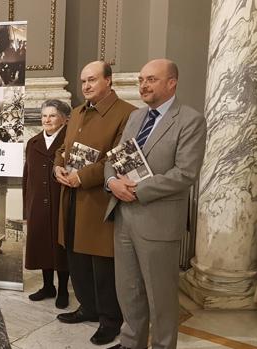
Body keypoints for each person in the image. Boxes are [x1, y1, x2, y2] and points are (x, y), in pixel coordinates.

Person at [104, 59, 206, 349]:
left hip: (159, 222)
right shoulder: (136, 117)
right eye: (140, 80)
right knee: (129, 290)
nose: (143, 85)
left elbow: (185, 173)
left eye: (151, 79)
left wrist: (137, 189)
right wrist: (112, 182)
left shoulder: (190, 120)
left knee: (160, 298)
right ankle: (131, 343)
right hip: (124, 216)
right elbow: (116, 159)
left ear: (171, 82)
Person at [53, 61, 136, 346]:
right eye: (83, 81)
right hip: (72, 197)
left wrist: (81, 178)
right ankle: (87, 307)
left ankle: (110, 320)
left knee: (102, 264)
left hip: (101, 200)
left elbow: (118, 160)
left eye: (92, 80)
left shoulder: (128, 114)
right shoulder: (75, 112)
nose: (86, 86)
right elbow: (63, 150)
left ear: (109, 81)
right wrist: (57, 168)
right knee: (76, 257)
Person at [23, 99, 71, 310]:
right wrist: (27, 206)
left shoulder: (70, 141)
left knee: (60, 247)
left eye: (52, 115)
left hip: (60, 203)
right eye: (44, 115)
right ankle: (47, 286)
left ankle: (62, 290)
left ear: (63, 118)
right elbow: (27, 177)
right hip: (38, 205)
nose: (47, 119)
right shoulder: (32, 143)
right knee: (42, 245)